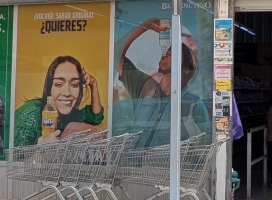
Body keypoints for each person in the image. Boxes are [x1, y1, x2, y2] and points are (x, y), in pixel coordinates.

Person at [115, 19, 209, 147]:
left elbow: (204, 143)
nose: (167, 53)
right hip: (136, 159)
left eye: (174, 54)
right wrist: (146, 25)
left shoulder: (193, 104)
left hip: (167, 160)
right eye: (168, 52)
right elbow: (115, 54)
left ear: (186, 69)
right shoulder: (144, 86)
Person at [13, 55, 103, 146]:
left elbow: (96, 118)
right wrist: (41, 148)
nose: (67, 93)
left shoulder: (70, 114)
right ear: (49, 88)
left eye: (74, 85)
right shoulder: (30, 117)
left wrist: (93, 84)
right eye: (59, 84)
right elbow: (14, 154)